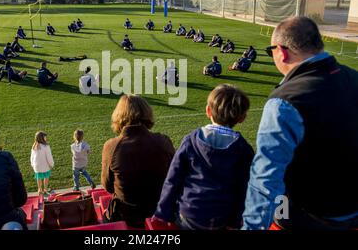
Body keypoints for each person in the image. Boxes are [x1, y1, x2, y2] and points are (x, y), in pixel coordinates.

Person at [243, 17, 358, 231]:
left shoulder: (285, 101)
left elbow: (266, 179)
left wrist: (251, 226)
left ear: (281, 51)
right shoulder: (353, 78)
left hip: (306, 217)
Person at [154, 84, 254, 230]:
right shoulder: (244, 149)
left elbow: (173, 179)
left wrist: (162, 212)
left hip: (190, 213)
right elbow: (244, 189)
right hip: (222, 217)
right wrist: (235, 221)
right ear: (242, 118)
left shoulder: (191, 141)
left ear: (208, 111)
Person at [101, 95, 175, 228]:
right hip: (160, 215)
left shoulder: (111, 146)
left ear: (118, 116)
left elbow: (108, 186)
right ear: (147, 113)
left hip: (127, 217)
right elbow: (174, 179)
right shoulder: (163, 141)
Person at [30, 131, 55, 196]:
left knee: (39, 178)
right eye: (45, 137)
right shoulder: (46, 147)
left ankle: (39, 189)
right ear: (42, 138)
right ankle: (45, 189)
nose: (46, 138)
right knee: (46, 177)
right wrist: (51, 164)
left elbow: (32, 157)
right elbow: (49, 157)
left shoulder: (34, 146)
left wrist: (32, 164)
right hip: (45, 166)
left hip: (37, 166)